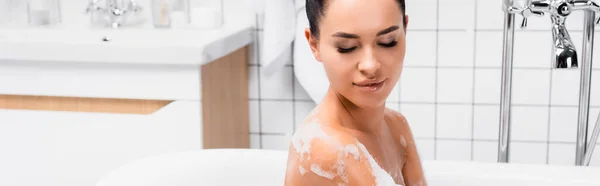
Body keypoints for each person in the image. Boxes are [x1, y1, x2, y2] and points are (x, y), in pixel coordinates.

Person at [284, 0, 426, 185]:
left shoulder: (397, 126)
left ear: (404, 30)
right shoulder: (323, 151)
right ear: (314, 45)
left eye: (387, 42)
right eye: (347, 47)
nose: (370, 65)